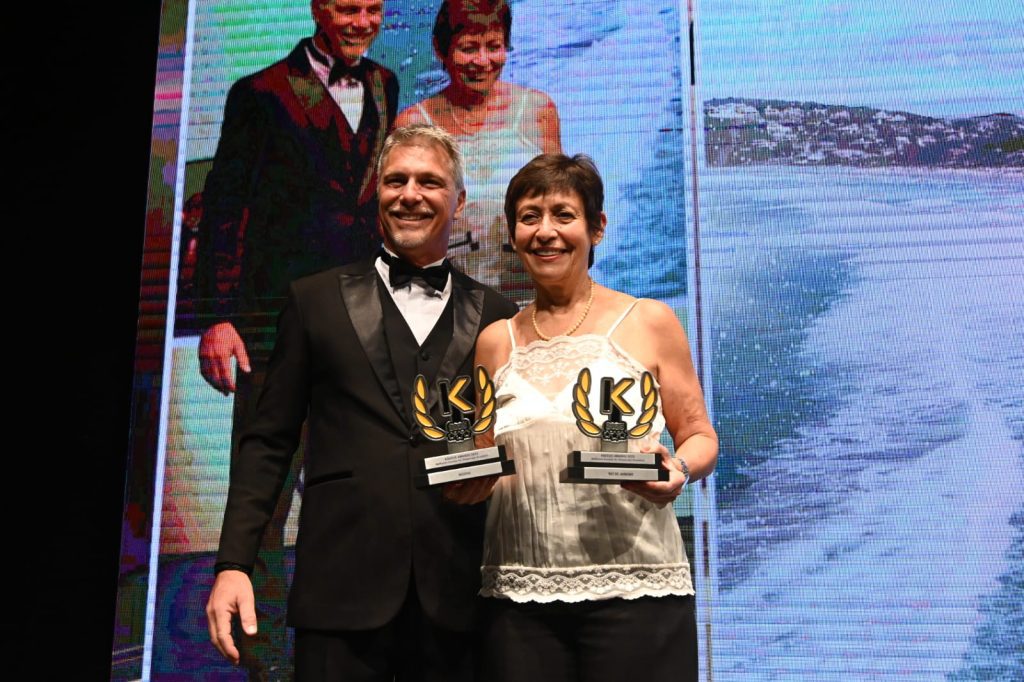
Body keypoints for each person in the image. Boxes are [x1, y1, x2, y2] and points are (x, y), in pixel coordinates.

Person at [206, 123, 518, 681]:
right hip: (338, 592)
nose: (410, 194)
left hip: (459, 595)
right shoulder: (314, 300)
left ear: (460, 200)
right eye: (395, 180)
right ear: (377, 194)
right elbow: (268, 443)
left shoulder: (496, 314)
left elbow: (512, 443)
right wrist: (234, 563)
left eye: (429, 182)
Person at [447, 154, 719, 682]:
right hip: (519, 598)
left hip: (636, 592)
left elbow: (699, 435)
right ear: (513, 234)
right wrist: (462, 482)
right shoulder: (495, 342)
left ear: (596, 228)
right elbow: (482, 457)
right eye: (529, 217)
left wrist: (679, 470)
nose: (545, 231)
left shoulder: (649, 320)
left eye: (563, 214)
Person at [192, 1, 397, 676]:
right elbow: (224, 206)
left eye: (372, 8)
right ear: (317, 8)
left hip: (359, 319)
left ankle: (344, 645)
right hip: (270, 322)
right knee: (267, 490)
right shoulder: (259, 92)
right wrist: (217, 317)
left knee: (351, 484)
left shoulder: (385, 83)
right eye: (347, 7)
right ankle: (266, 658)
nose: (361, 21)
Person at [395, 0, 561, 302]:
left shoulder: (538, 111)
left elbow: (561, 211)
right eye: (469, 48)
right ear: (441, 49)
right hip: (445, 301)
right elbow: (399, 230)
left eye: (494, 46)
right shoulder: (414, 124)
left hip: (527, 298)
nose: (483, 61)